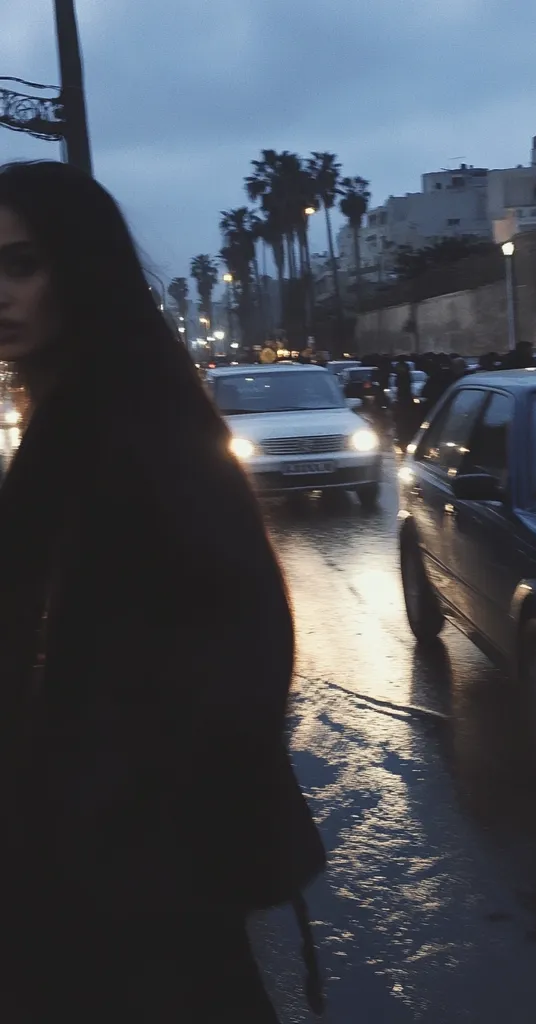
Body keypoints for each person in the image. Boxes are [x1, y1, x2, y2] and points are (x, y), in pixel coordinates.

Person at [0, 161, 325, 1021]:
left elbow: (250, 635)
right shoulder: (69, 415)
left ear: (80, 265)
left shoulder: (131, 422)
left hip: (129, 882)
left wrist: (111, 811)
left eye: (21, 265)